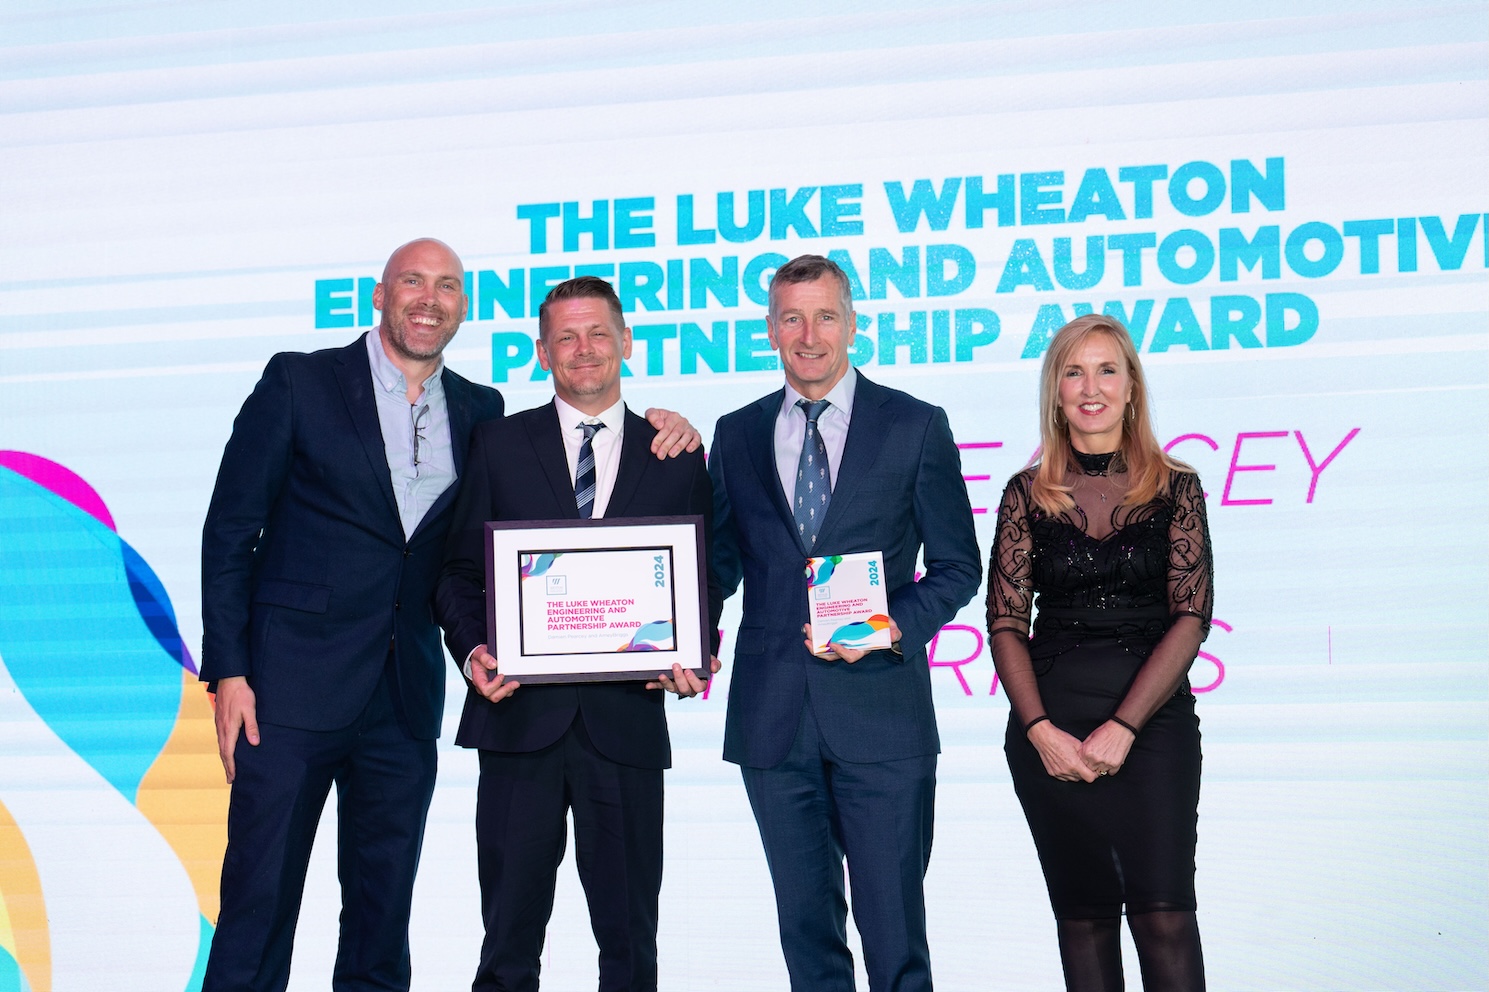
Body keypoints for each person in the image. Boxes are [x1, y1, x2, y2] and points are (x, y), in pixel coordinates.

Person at [199, 242, 697, 992]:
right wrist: (229, 670)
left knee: (381, 912)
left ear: (463, 305)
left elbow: (480, 550)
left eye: (447, 286)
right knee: (259, 903)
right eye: (412, 282)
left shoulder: (479, 412)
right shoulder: (299, 381)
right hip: (288, 691)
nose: (429, 299)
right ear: (379, 295)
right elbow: (230, 531)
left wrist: (662, 419)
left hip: (402, 699)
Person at [433, 276, 722, 992]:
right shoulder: (497, 445)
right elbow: (456, 571)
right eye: (565, 336)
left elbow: (707, 570)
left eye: (598, 333)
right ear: (541, 352)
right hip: (516, 722)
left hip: (623, 725)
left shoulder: (676, 451)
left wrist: (695, 648)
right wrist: (473, 650)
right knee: (506, 943)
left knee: (629, 945)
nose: (583, 349)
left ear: (626, 342)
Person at [709, 254, 981, 992]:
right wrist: (684, 635)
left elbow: (959, 566)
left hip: (881, 717)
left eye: (825, 315)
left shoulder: (915, 426)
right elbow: (721, 564)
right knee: (806, 938)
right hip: (773, 718)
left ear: (853, 324)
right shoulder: (734, 433)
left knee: (894, 939)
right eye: (791, 317)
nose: (808, 334)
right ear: (769, 329)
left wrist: (892, 626)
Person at [985, 314, 1214, 992]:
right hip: (1049, 728)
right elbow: (1003, 622)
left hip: (1152, 731)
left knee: (1163, 915)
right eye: (1073, 372)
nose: (1091, 387)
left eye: (1106, 369)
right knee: (1082, 919)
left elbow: (1191, 615)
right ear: (1055, 392)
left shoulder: (1176, 486)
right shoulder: (1024, 494)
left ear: (1130, 388)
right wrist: (1037, 732)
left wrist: (1123, 727)